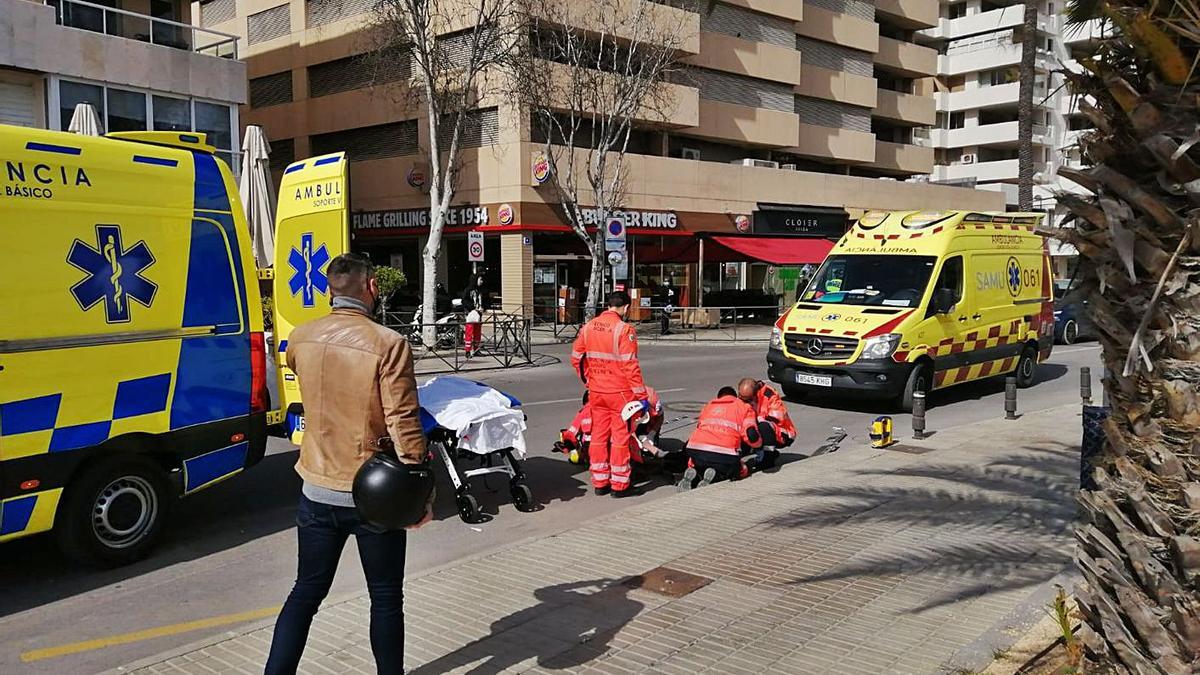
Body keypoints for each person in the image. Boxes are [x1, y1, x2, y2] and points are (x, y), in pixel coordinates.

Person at [265, 253, 430, 675]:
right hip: (373, 493)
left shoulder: (300, 339)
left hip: (316, 488)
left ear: (330, 290)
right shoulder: (387, 344)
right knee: (386, 597)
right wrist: (418, 491)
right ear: (371, 287)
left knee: (305, 592)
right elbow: (402, 420)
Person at [570, 291, 648, 497]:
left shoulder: (588, 327)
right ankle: (620, 485)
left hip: (597, 392)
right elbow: (631, 366)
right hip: (620, 393)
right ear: (625, 307)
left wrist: (588, 379)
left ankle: (600, 482)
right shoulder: (624, 330)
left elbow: (576, 357)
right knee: (620, 438)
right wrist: (642, 396)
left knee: (598, 436)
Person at [678, 386, 761, 490]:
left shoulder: (709, 405)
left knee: (700, 464)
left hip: (696, 450)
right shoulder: (744, 407)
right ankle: (715, 477)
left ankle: (695, 473)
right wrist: (759, 445)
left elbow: (699, 427)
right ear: (735, 397)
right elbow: (751, 435)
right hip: (725, 453)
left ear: (719, 397)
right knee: (741, 469)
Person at [737, 377, 796, 470]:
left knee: (763, 427)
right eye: (742, 399)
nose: (745, 402)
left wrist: (754, 420)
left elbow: (776, 418)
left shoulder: (769, 395)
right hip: (760, 427)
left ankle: (768, 458)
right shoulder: (743, 398)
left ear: (756, 393)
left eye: (748, 400)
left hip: (782, 433)